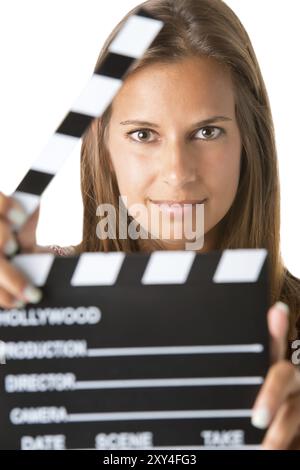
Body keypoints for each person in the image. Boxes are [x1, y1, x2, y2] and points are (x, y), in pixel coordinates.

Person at [0, 0, 299, 449]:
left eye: (207, 131)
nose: (178, 172)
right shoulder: (32, 297)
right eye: (143, 134)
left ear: (246, 140)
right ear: (104, 145)